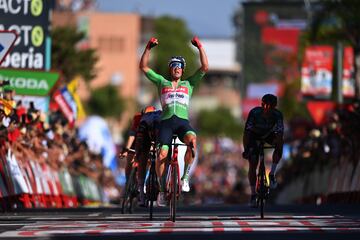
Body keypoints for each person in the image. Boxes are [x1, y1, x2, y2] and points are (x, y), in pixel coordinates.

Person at [140, 36, 209, 206]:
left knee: (192, 141)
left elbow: (205, 67)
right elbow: (143, 67)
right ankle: (162, 190)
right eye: (174, 66)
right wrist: (148, 48)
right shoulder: (162, 82)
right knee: (162, 154)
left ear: (183, 70)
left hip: (182, 122)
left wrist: (199, 47)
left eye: (180, 67)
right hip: (165, 123)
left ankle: (185, 178)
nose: (177, 69)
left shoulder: (189, 83)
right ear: (170, 69)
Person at [242, 93, 284, 207]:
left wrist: (278, 147)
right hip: (254, 136)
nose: (266, 109)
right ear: (261, 104)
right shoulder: (254, 113)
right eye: (264, 105)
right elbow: (247, 133)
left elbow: (280, 135)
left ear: (274, 107)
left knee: (280, 142)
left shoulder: (278, 115)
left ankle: (272, 173)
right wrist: (246, 149)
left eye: (270, 106)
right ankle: (253, 194)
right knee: (253, 162)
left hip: (269, 135)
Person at [134, 106, 161, 206]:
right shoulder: (142, 122)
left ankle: (141, 191)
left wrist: (137, 154)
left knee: (143, 157)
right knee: (146, 155)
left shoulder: (144, 120)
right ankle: (142, 189)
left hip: (155, 130)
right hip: (151, 131)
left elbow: (138, 143)